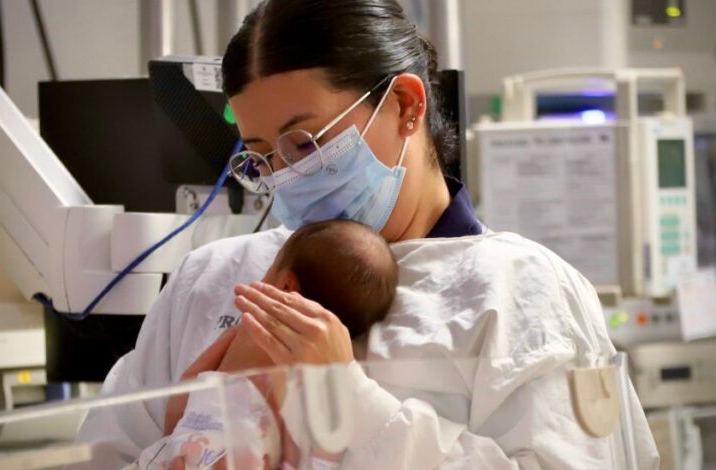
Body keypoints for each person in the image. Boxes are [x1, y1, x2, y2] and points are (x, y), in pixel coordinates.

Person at [75, 1, 660, 468]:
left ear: (405, 105)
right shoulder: (213, 279)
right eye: (262, 156)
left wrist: (354, 406)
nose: (286, 176)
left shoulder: (523, 292)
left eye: (304, 142)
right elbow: (106, 455)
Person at [131, 219, 398, 469]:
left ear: (285, 285)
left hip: (194, 437)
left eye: (269, 268)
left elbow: (192, 380)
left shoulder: (248, 328)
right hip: (236, 448)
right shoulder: (320, 374)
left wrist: (173, 433)